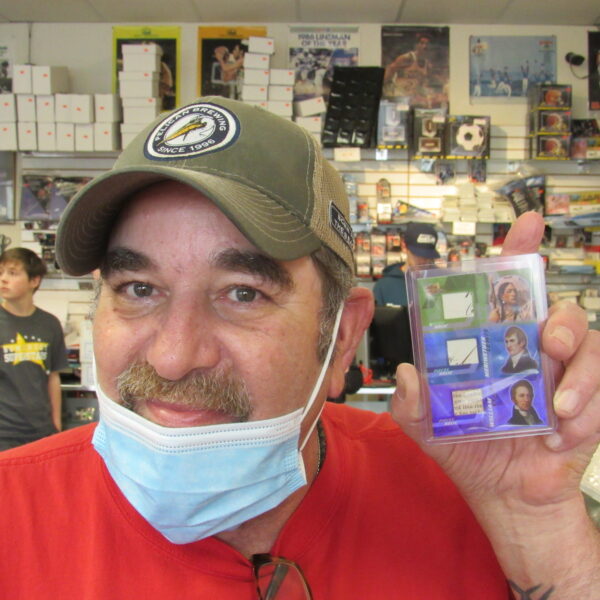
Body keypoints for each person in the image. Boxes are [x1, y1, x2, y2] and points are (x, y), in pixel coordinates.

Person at [0, 97, 599, 599]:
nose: (173, 357)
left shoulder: (464, 489)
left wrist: (538, 528)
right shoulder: (13, 513)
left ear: (342, 337)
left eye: (243, 293)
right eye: (138, 288)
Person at [0, 247, 67, 450]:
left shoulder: (50, 324)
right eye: (1, 272)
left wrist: (56, 425)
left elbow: (53, 377)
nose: (3, 279)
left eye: (13, 273)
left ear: (34, 281)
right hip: (4, 434)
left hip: (42, 432)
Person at [373, 222, 440, 307]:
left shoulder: (441, 281)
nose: (424, 260)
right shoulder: (384, 286)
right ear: (404, 247)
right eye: (418, 254)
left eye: (428, 255)